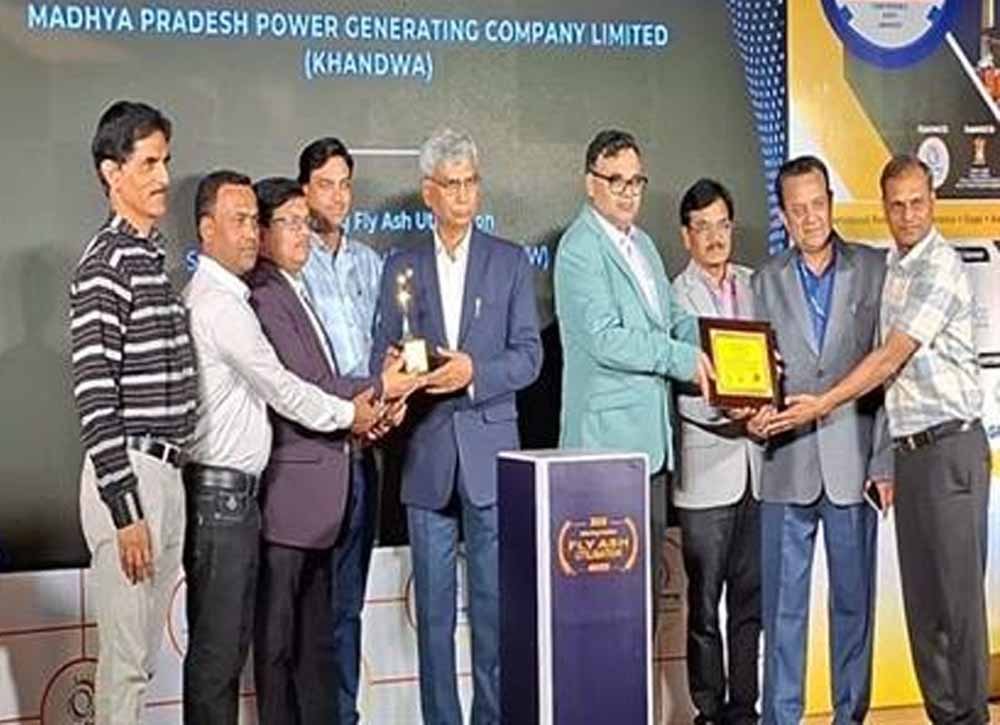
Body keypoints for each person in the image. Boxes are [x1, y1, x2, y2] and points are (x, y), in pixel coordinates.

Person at [768, 156, 990, 724]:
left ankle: (968, 719)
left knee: (958, 608)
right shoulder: (893, 266)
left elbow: (890, 357)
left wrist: (823, 403)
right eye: (897, 205)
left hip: (952, 449)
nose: (908, 214)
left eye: (917, 202)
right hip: (911, 455)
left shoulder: (939, 267)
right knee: (923, 609)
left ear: (933, 201)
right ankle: (945, 717)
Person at [181, 170, 386, 724]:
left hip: (252, 496)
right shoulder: (232, 303)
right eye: (244, 221)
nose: (252, 233)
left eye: (255, 220)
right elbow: (287, 387)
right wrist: (357, 411)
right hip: (237, 495)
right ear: (206, 230)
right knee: (235, 653)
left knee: (290, 647)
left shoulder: (251, 294)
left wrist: (362, 411)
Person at [371, 128, 542, 725]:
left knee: (494, 612)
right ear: (429, 192)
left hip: (490, 456)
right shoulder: (402, 265)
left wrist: (475, 374)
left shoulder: (509, 260)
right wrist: (393, 380)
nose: (464, 195)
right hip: (426, 454)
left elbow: (529, 356)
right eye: (452, 185)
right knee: (434, 616)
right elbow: (383, 349)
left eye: (471, 183)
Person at [248, 176, 413, 725]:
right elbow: (310, 383)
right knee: (280, 647)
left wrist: (378, 399)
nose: (303, 234)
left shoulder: (293, 288)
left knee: (314, 645)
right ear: (262, 233)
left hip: (324, 492)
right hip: (291, 497)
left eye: (304, 223)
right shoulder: (266, 294)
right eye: (290, 223)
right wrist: (383, 388)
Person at [749, 155, 892, 725]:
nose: (810, 218)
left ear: (831, 203)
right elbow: (753, 373)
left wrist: (884, 462)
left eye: (817, 204)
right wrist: (753, 415)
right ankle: (780, 718)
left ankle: (849, 716)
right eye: (797, 209)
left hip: (853, 462)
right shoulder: (764, 280)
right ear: (783, 216)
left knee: (854, 607)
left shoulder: (874, 269)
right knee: (783, 612)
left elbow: (889, 374)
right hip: (786, 462)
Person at [69, 100, 197, 724]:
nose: (164, 177)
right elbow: (94, 393)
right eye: (148, 163)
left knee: (139, 661)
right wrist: (125, 507)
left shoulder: (150, 258)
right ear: (111, 172)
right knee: (124, 666)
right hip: (130, 479)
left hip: (166, 474)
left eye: (165, 161)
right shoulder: (104, 264)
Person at [553, 129, 712, 630]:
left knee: (641, 601)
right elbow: (606, 339)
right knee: (607, 603)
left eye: (636, 181)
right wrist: (684, 360)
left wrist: (719, 349)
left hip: (650, 448)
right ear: (590, 183)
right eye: (615, 180)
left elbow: (672, 318)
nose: (627, 192)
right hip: (605, 451)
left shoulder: (641, 243)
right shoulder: (580, 248)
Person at [298, 137, 384, 724]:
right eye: (325, 185)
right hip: (313, 453)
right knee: (312, 607)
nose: (337, 196)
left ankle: (345, 715)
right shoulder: (289, 264)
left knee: (349, 604)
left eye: (345, 184)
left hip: (366, 452)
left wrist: (386, 403)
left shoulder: (370, 263)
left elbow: (386, 349)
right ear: (305, 190)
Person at [671, 179, 761, 725]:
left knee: (751, 602)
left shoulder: (757, 284)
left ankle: (745, 709)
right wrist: (731, 414)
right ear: (686, 236)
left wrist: (765, 411)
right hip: (706, 469)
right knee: (703, 605)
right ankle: (708, 710)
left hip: (759, 467)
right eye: (701, 227)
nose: (714, 236)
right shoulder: (672, 297)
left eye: (722, 224)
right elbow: (677, 384)